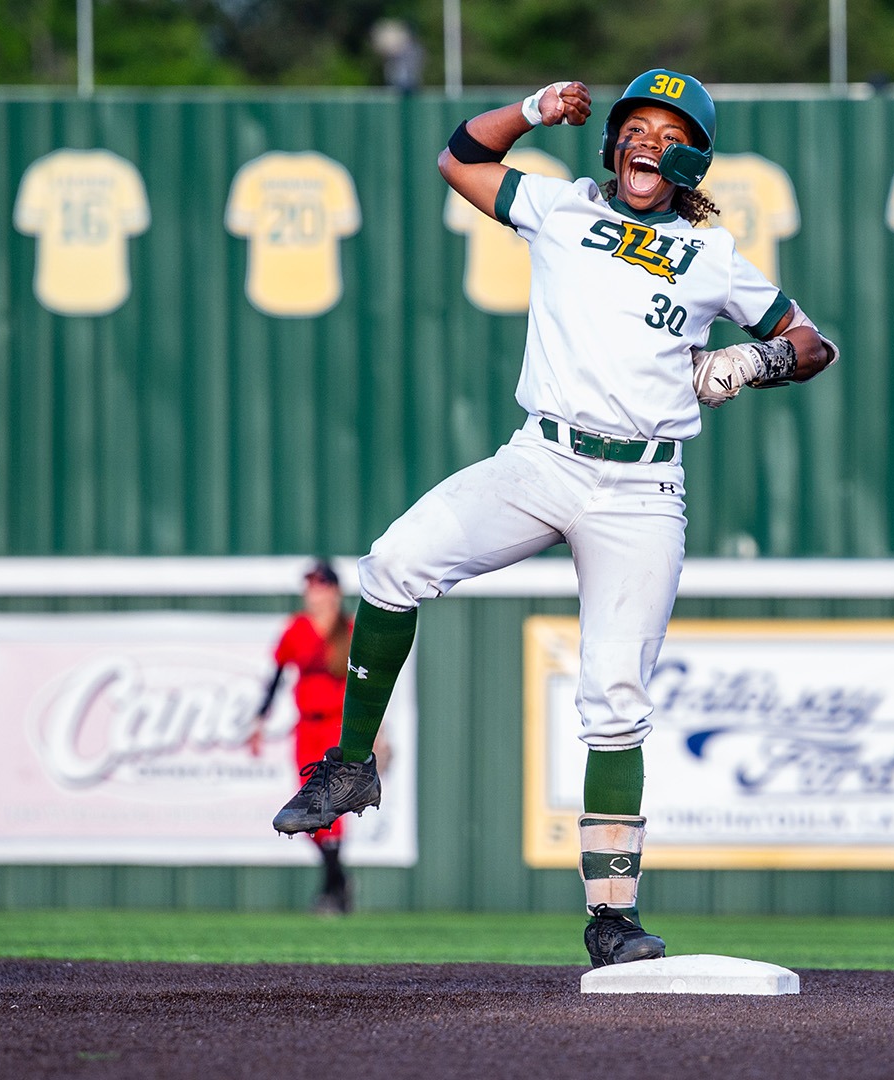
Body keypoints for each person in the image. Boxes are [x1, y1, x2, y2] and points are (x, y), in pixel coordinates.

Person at [271, 69, 838, 965]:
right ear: (613, 142)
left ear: (693, 158)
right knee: (390, 566)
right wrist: (534, 109)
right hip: (541, 457)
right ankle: (348, 764)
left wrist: (754, 361)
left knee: (614, 701)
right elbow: (460, 158)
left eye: (668, 130)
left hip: (642, 490)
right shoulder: (563, 207)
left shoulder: (713, 255)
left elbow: (815, 343)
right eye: (635, 127)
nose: (647, 141)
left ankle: (611, 918)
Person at [254, 559, 357, 914]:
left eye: (321, 585)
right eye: (310, 586)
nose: (314, 592)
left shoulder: (348, 630)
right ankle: (339, 882)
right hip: (306, 727)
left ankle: (331, 891)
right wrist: (259, 718)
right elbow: (276, 676)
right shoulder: (297, 628)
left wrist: (376, 734)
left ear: (335, 591)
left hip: (335, 728)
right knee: (307, 807)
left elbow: (364, 687)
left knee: (329, 805)